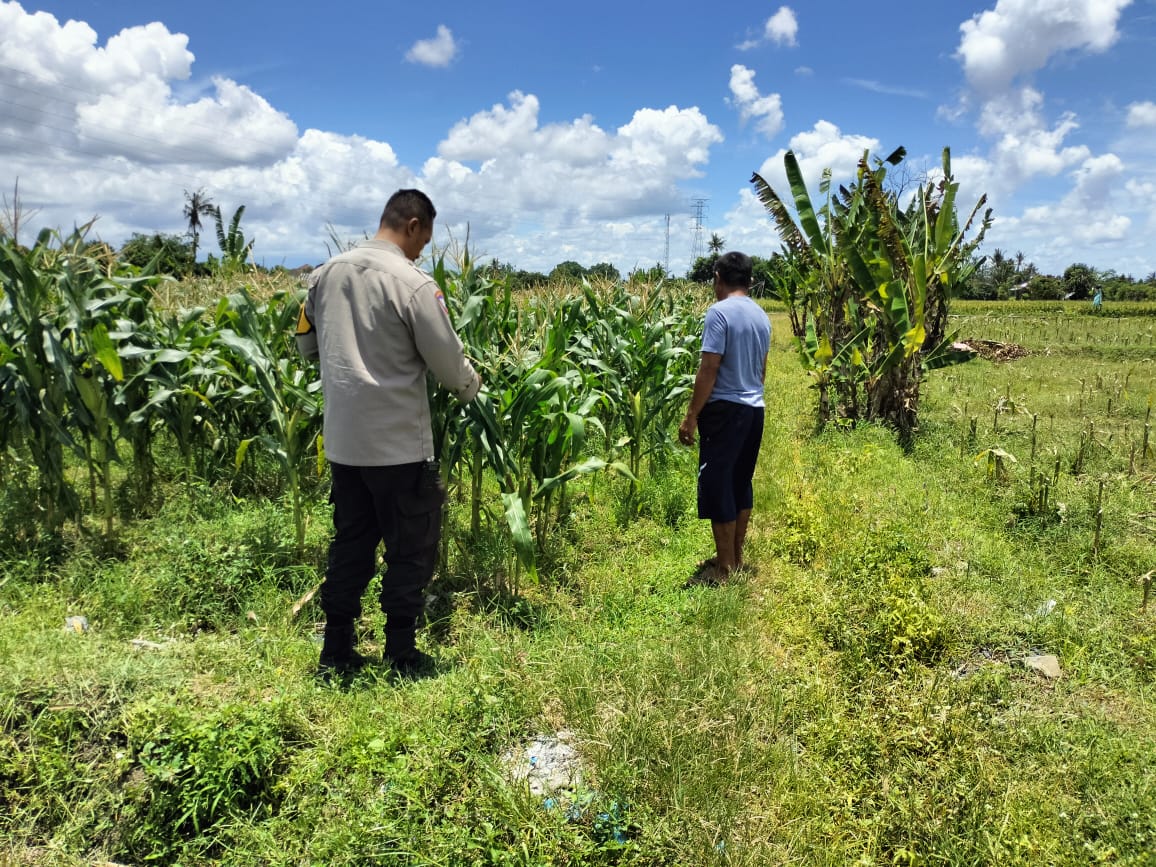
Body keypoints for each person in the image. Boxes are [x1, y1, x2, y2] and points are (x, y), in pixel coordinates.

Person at [296, 189, 481, 679]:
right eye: (424, 240)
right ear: (413, 225)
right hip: (398, 446)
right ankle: (400, 653)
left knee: (351, 543)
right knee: (411, 547)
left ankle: (336, 650)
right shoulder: (413, 285)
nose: (421, 252)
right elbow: (449, 365)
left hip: (344, 444)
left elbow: (305, 347)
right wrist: (472, 386)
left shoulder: (323, 276)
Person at [677, 251, 771, 583]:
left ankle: (724, 569)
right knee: (740, 482)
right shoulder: (762, 316)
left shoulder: (719, 313)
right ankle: (734, 558)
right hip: (754, 409)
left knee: (718, 485)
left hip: (725, 411)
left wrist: (691, 416)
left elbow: (709, 368)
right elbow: (761, 371)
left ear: (718, 278)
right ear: (749, 280)